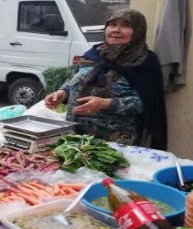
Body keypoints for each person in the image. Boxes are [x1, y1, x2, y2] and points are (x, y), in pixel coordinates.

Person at [44, 9, 167, 150]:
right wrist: (62, 92)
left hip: (115, 143)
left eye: (126, 26)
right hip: (75, 136)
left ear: (138, 31)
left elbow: (148, 102)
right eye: (112, 24)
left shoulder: (145, 62)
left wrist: (106, 103)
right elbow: (74, 77)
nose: (116, 30)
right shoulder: (94, 54)